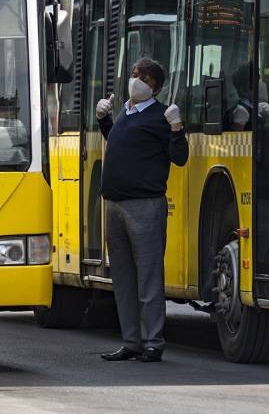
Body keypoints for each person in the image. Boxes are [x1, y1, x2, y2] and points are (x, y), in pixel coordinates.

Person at [95, 57, 188, 363]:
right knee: (122, 278)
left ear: (156, 87)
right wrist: (104, 121)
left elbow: (179, 157)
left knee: (148, 277)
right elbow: (122, 142)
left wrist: (176, 128)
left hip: (145, 205)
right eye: (135, 75)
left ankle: (153, 342)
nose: (137, 82)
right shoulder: (126, 111)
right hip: (116, 204)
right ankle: (131, 341)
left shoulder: (161, 116)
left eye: (144, 79)